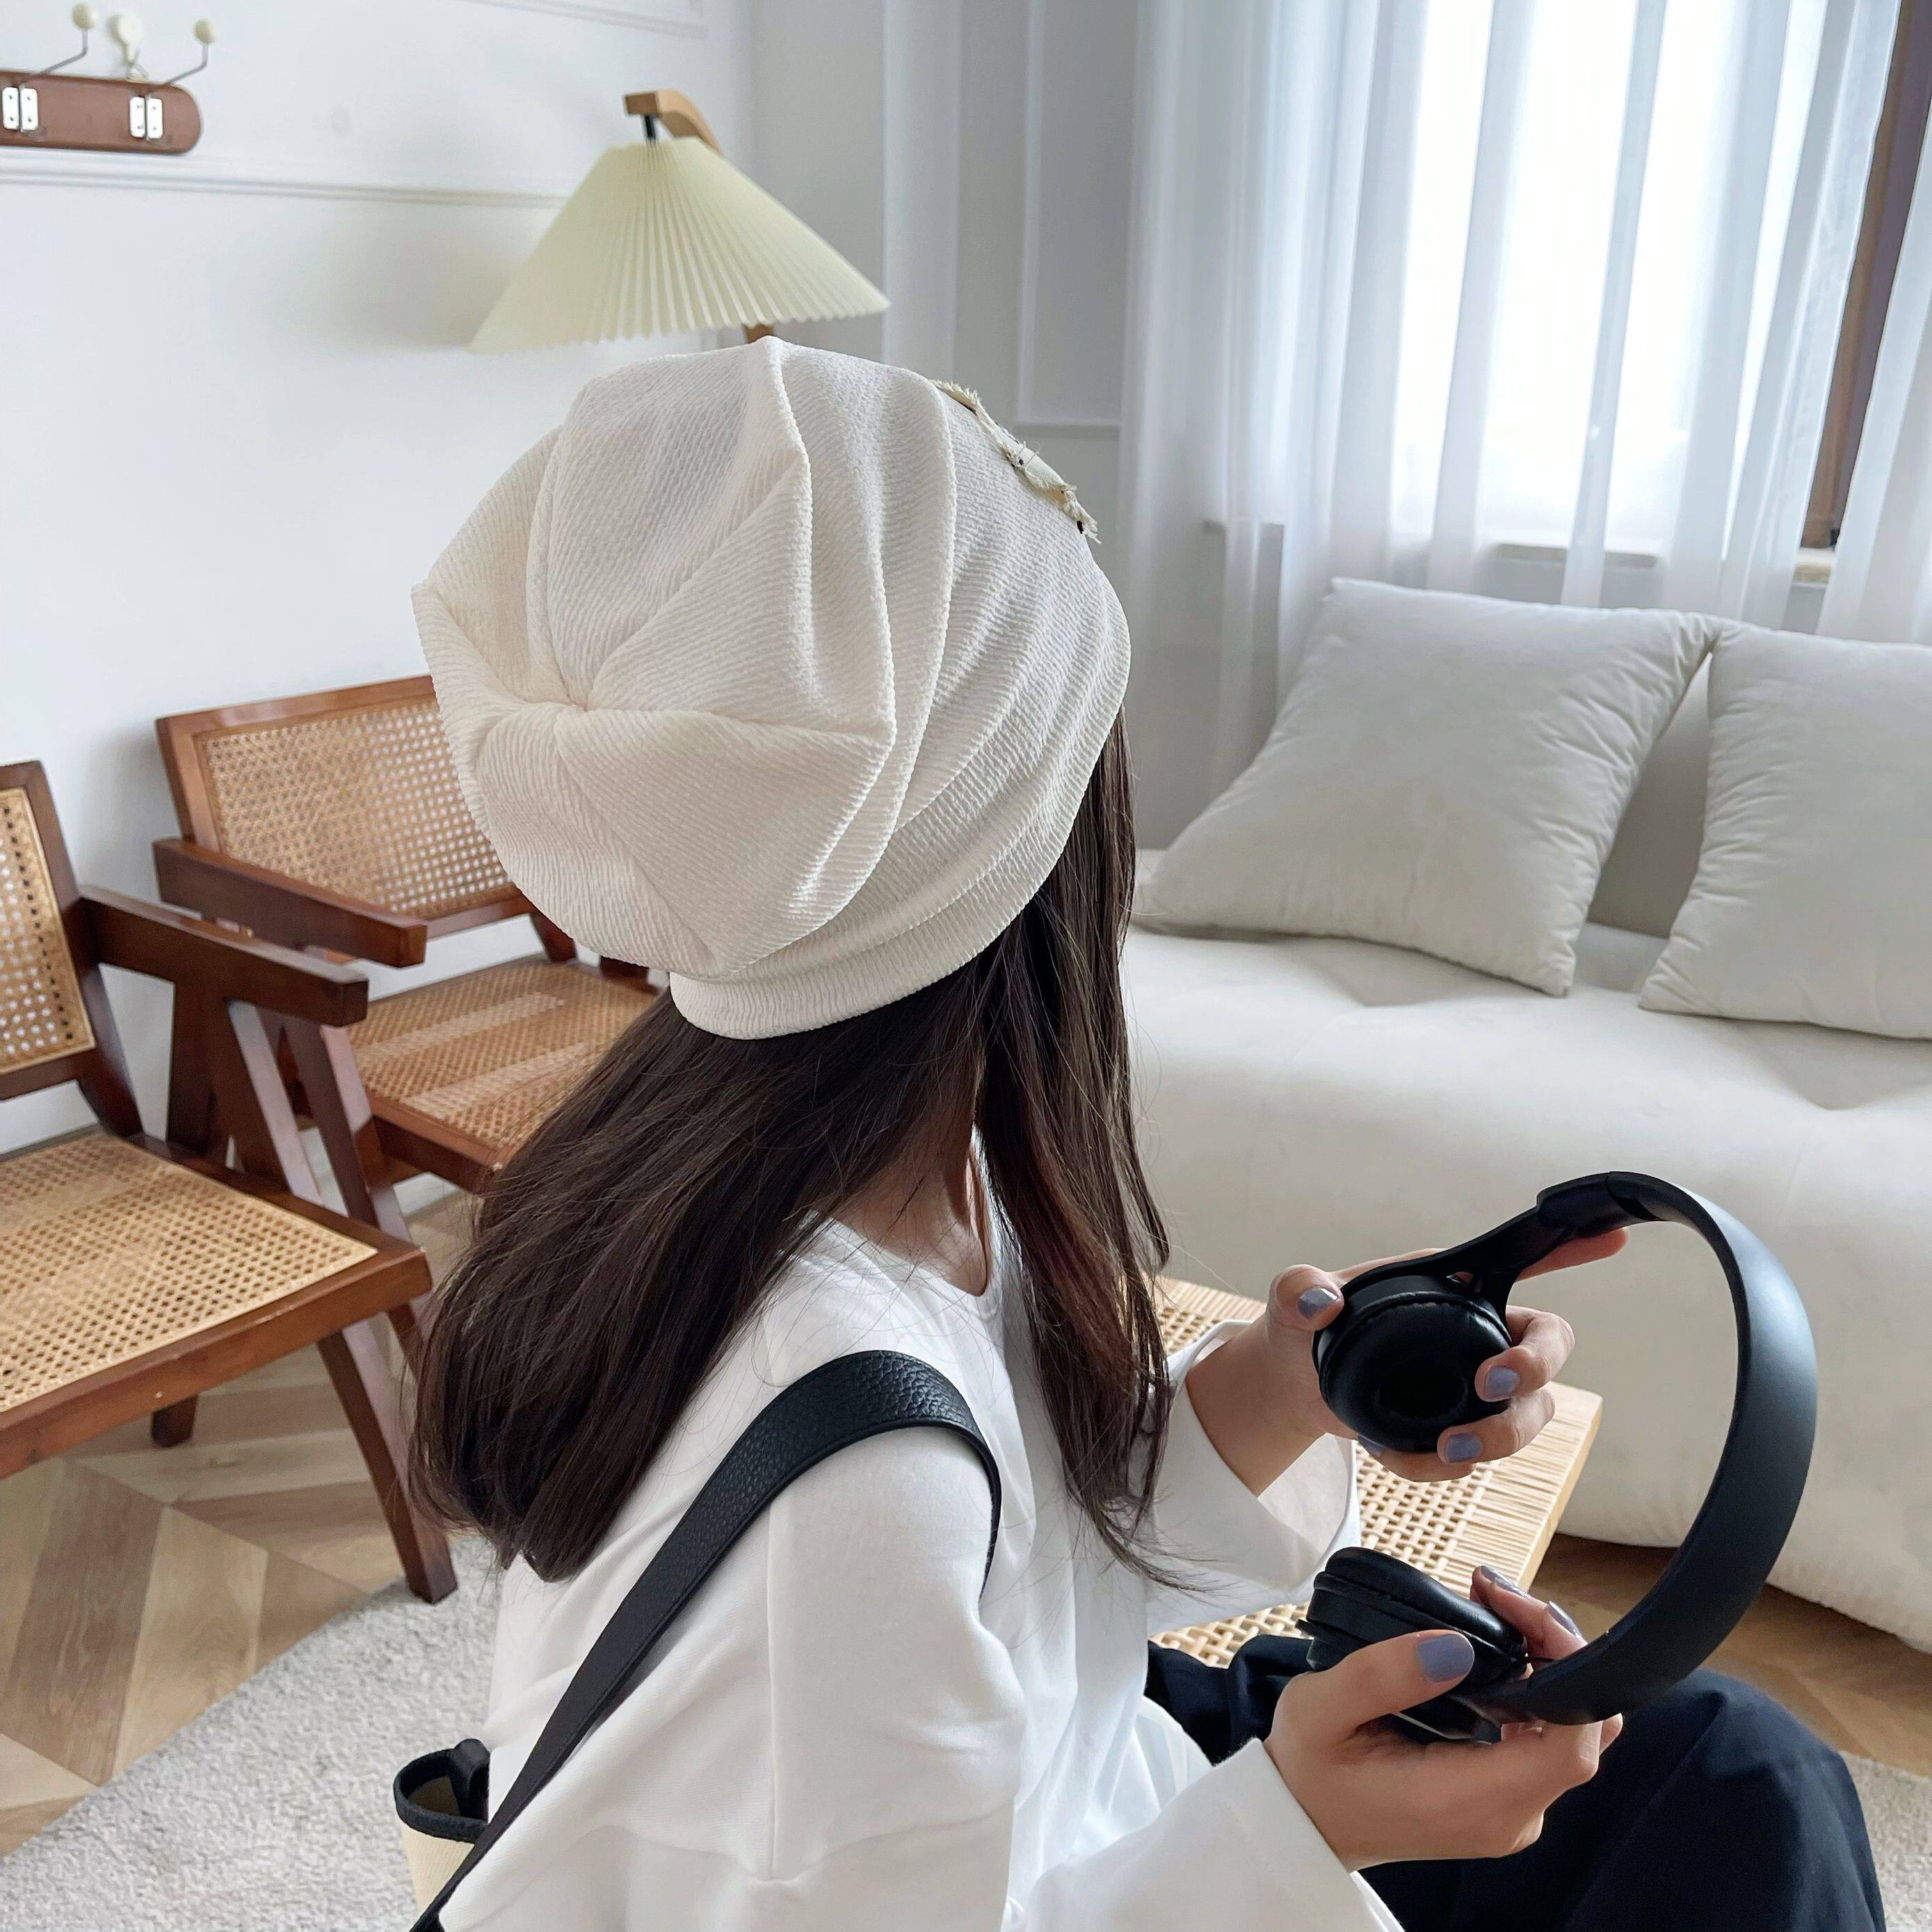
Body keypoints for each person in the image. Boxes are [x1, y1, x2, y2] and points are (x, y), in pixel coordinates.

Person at [406, 339, 1882, 1931]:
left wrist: (1276, 1389)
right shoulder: (848, 1479)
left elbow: (1023, 1571)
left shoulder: (857, 1164)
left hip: (1084, 1782)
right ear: (1036, 830)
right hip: (1094, 1869)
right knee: (1733, 1816)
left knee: (1732, 1773)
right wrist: (1302, 1829)